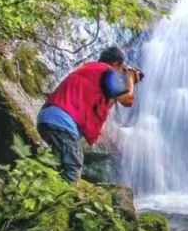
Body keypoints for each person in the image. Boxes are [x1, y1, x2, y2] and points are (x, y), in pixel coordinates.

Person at [36, 46, 142, 183]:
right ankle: (61, 202)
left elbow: (107, 97)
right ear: (116, 64)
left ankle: (46, 194)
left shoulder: (89, 69)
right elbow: (127, 100)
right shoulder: (107, 72)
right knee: (72, 167)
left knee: (57, 164)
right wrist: (130, 79)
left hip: (47, 118)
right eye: (121, 69)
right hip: (62, 123)